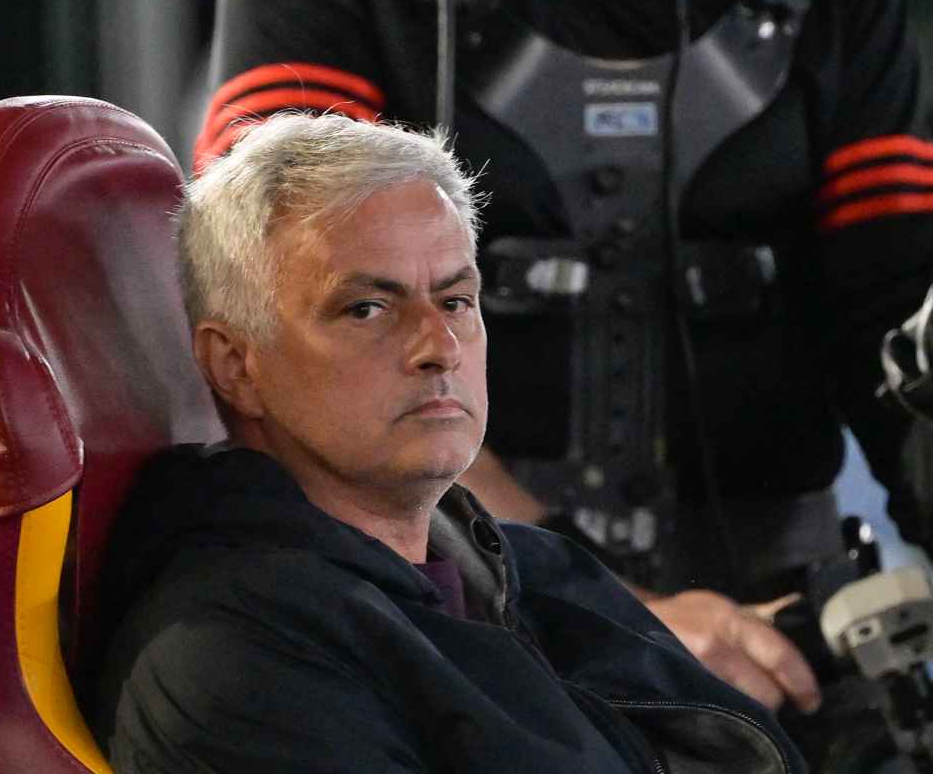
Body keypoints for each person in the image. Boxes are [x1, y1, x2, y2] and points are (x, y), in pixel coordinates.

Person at [195, 0, 933, 741]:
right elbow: (284, 311)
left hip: (782, 628)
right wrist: (614, 616)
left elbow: (899, 315)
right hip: (459, 619)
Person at [84, 112, 804, 772]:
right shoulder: (238, 657)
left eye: (456, 300)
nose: (440, 346)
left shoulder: (528, 567)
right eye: (367, 308)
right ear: (236, 365)